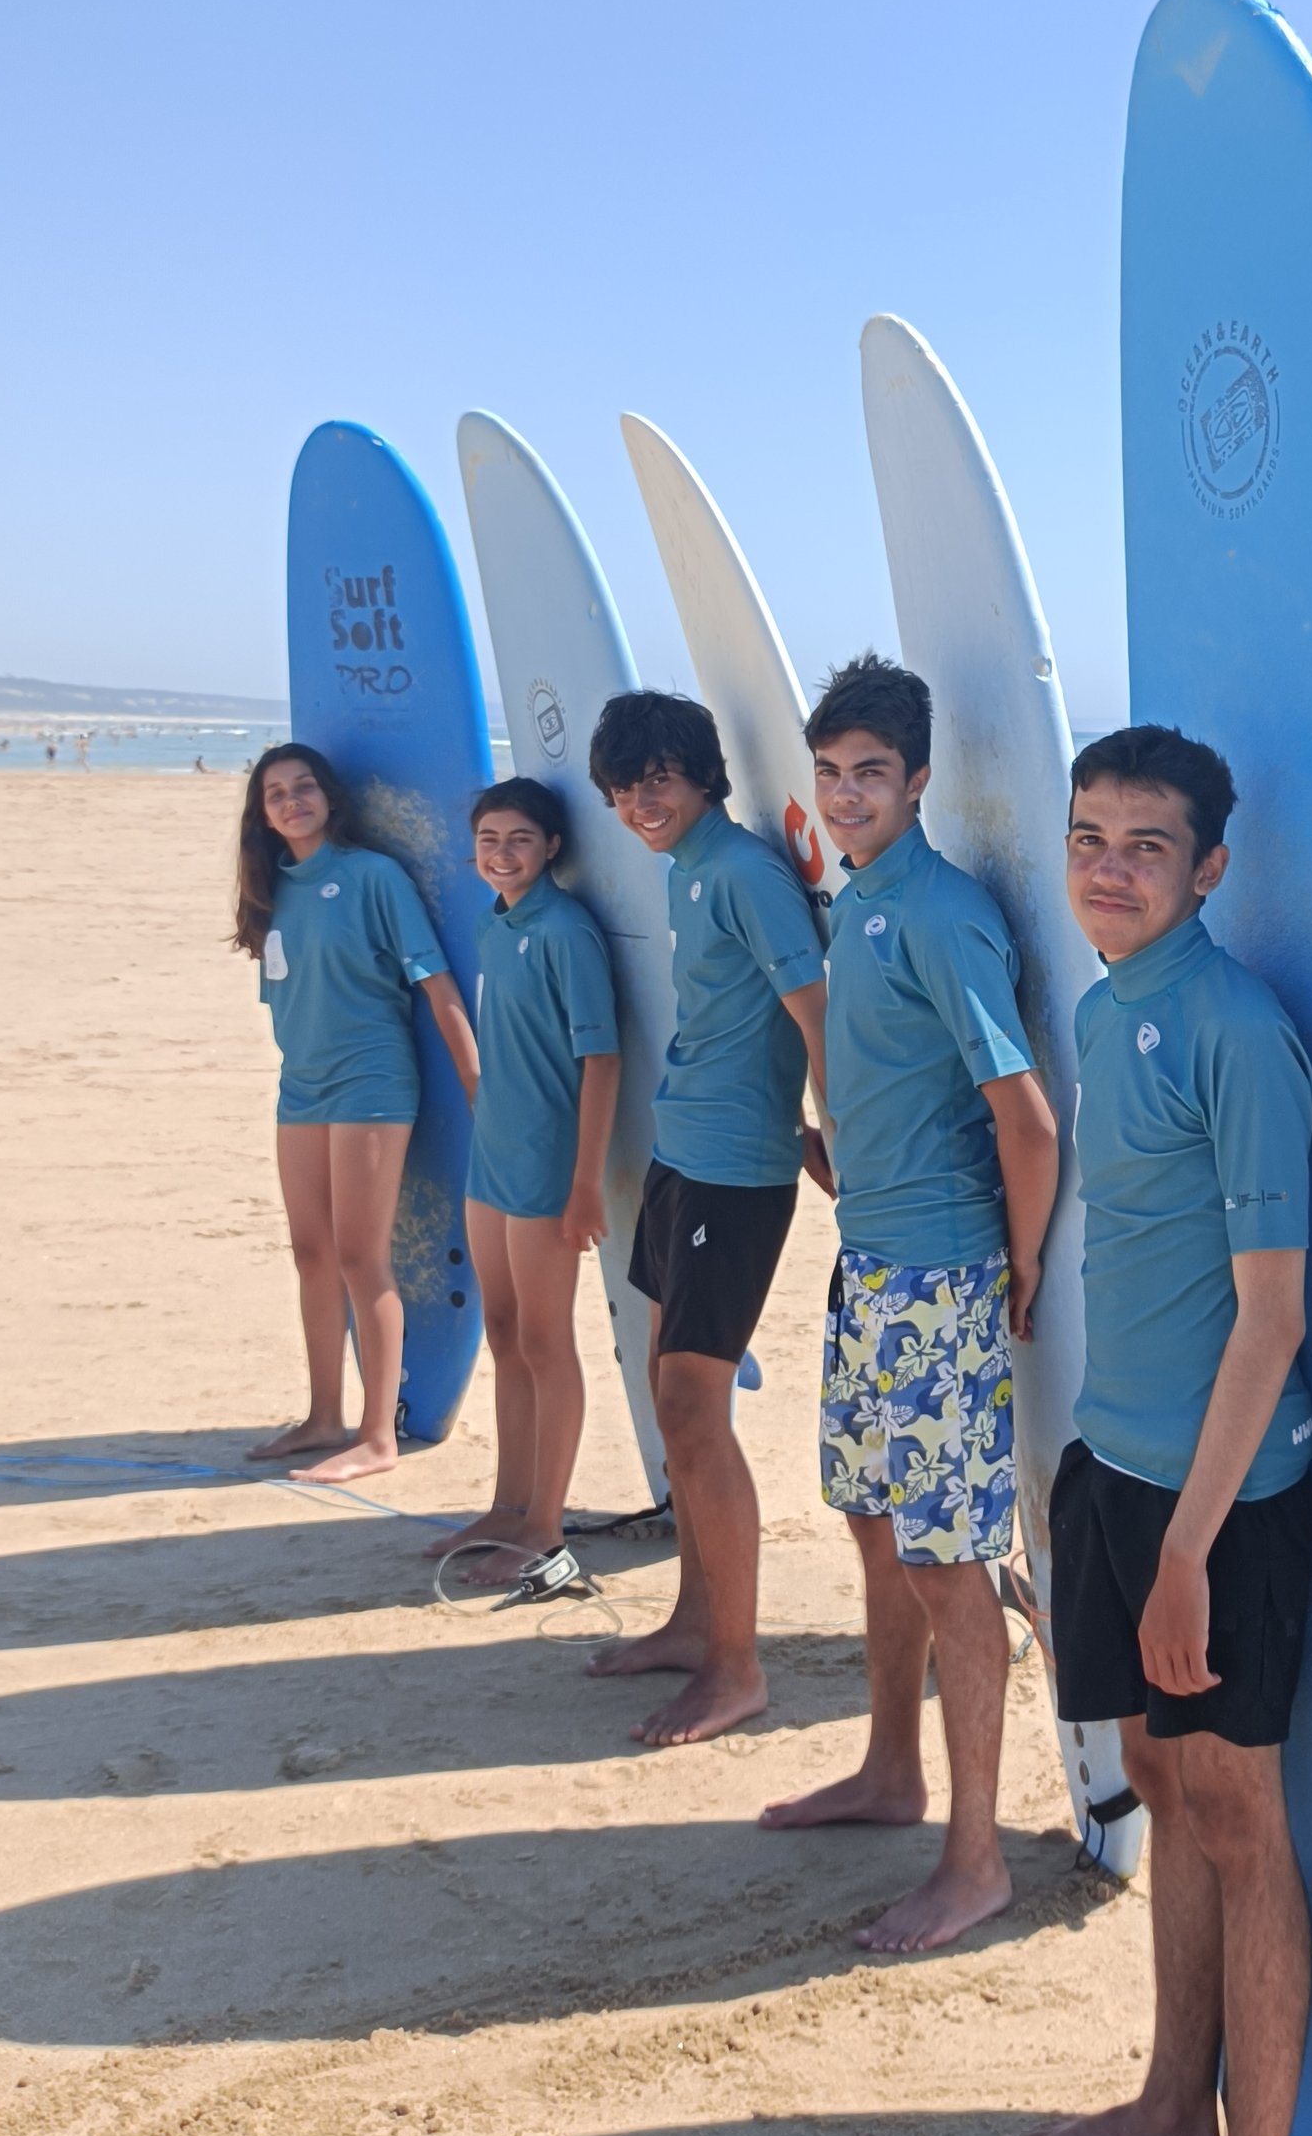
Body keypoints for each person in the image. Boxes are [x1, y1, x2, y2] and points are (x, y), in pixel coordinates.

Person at [1004, 725, 1312, 2136]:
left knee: (1237, 1813)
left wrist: (1192, 1544)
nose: (1109, 864)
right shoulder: (1107, 1001)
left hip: (1228, 1499)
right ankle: (1164, 2106)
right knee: (1155, 1772)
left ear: (1210, 866)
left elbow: (1273, 1320)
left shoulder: (1235, 1028)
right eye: (1088, 834)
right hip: (1113, 1469)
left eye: (1147, 843)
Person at [762, 652, 1061, 1955]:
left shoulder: (940, 913)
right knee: (877, 1526)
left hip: (940, 1276)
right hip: (872, 1259)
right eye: (829, 774)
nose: (846, 795)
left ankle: (978, 1859)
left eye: (870, 773)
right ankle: (893, 1770)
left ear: (920, 779)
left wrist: (1026, 1266)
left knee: (947, 1564)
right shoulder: (862, 899)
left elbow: (1027, 1119)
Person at [584, 688, 831, 1747]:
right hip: (681, 1154)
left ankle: (737, 1666)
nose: (641, 801)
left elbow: (815, 1014)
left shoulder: (740, 873)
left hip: (733, 1175)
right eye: (622, 786)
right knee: (664, 1393)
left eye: (658, 779)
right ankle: (695, 1618)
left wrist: (833, 1134)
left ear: (700, 777)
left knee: (694, 1407)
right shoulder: (686, 871)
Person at [234, 742, 479, 1481]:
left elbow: (436, 986)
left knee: (358, 1257)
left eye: (303, 787)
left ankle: (378, 1435)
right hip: (300, 1087)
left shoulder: (373, 877)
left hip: (372, 1082)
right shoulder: (271, 888)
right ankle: (322, 1417)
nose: (291, 800)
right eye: (275, 794)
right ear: (264, 816)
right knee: (309, 1253)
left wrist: (477, 1086)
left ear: (328, 798)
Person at [431, 778, 622, 1600]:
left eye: (519, 839)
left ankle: (547, 1526)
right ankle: (509, 1505)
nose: (501, 854)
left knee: (548, 1341)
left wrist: (585, 1184)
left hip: (548, 1166)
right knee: (503, 1331)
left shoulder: (565, 931)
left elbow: (603, 1060)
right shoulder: (495, 921)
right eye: (488, 840)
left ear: (551, 847)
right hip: (492, 1158)